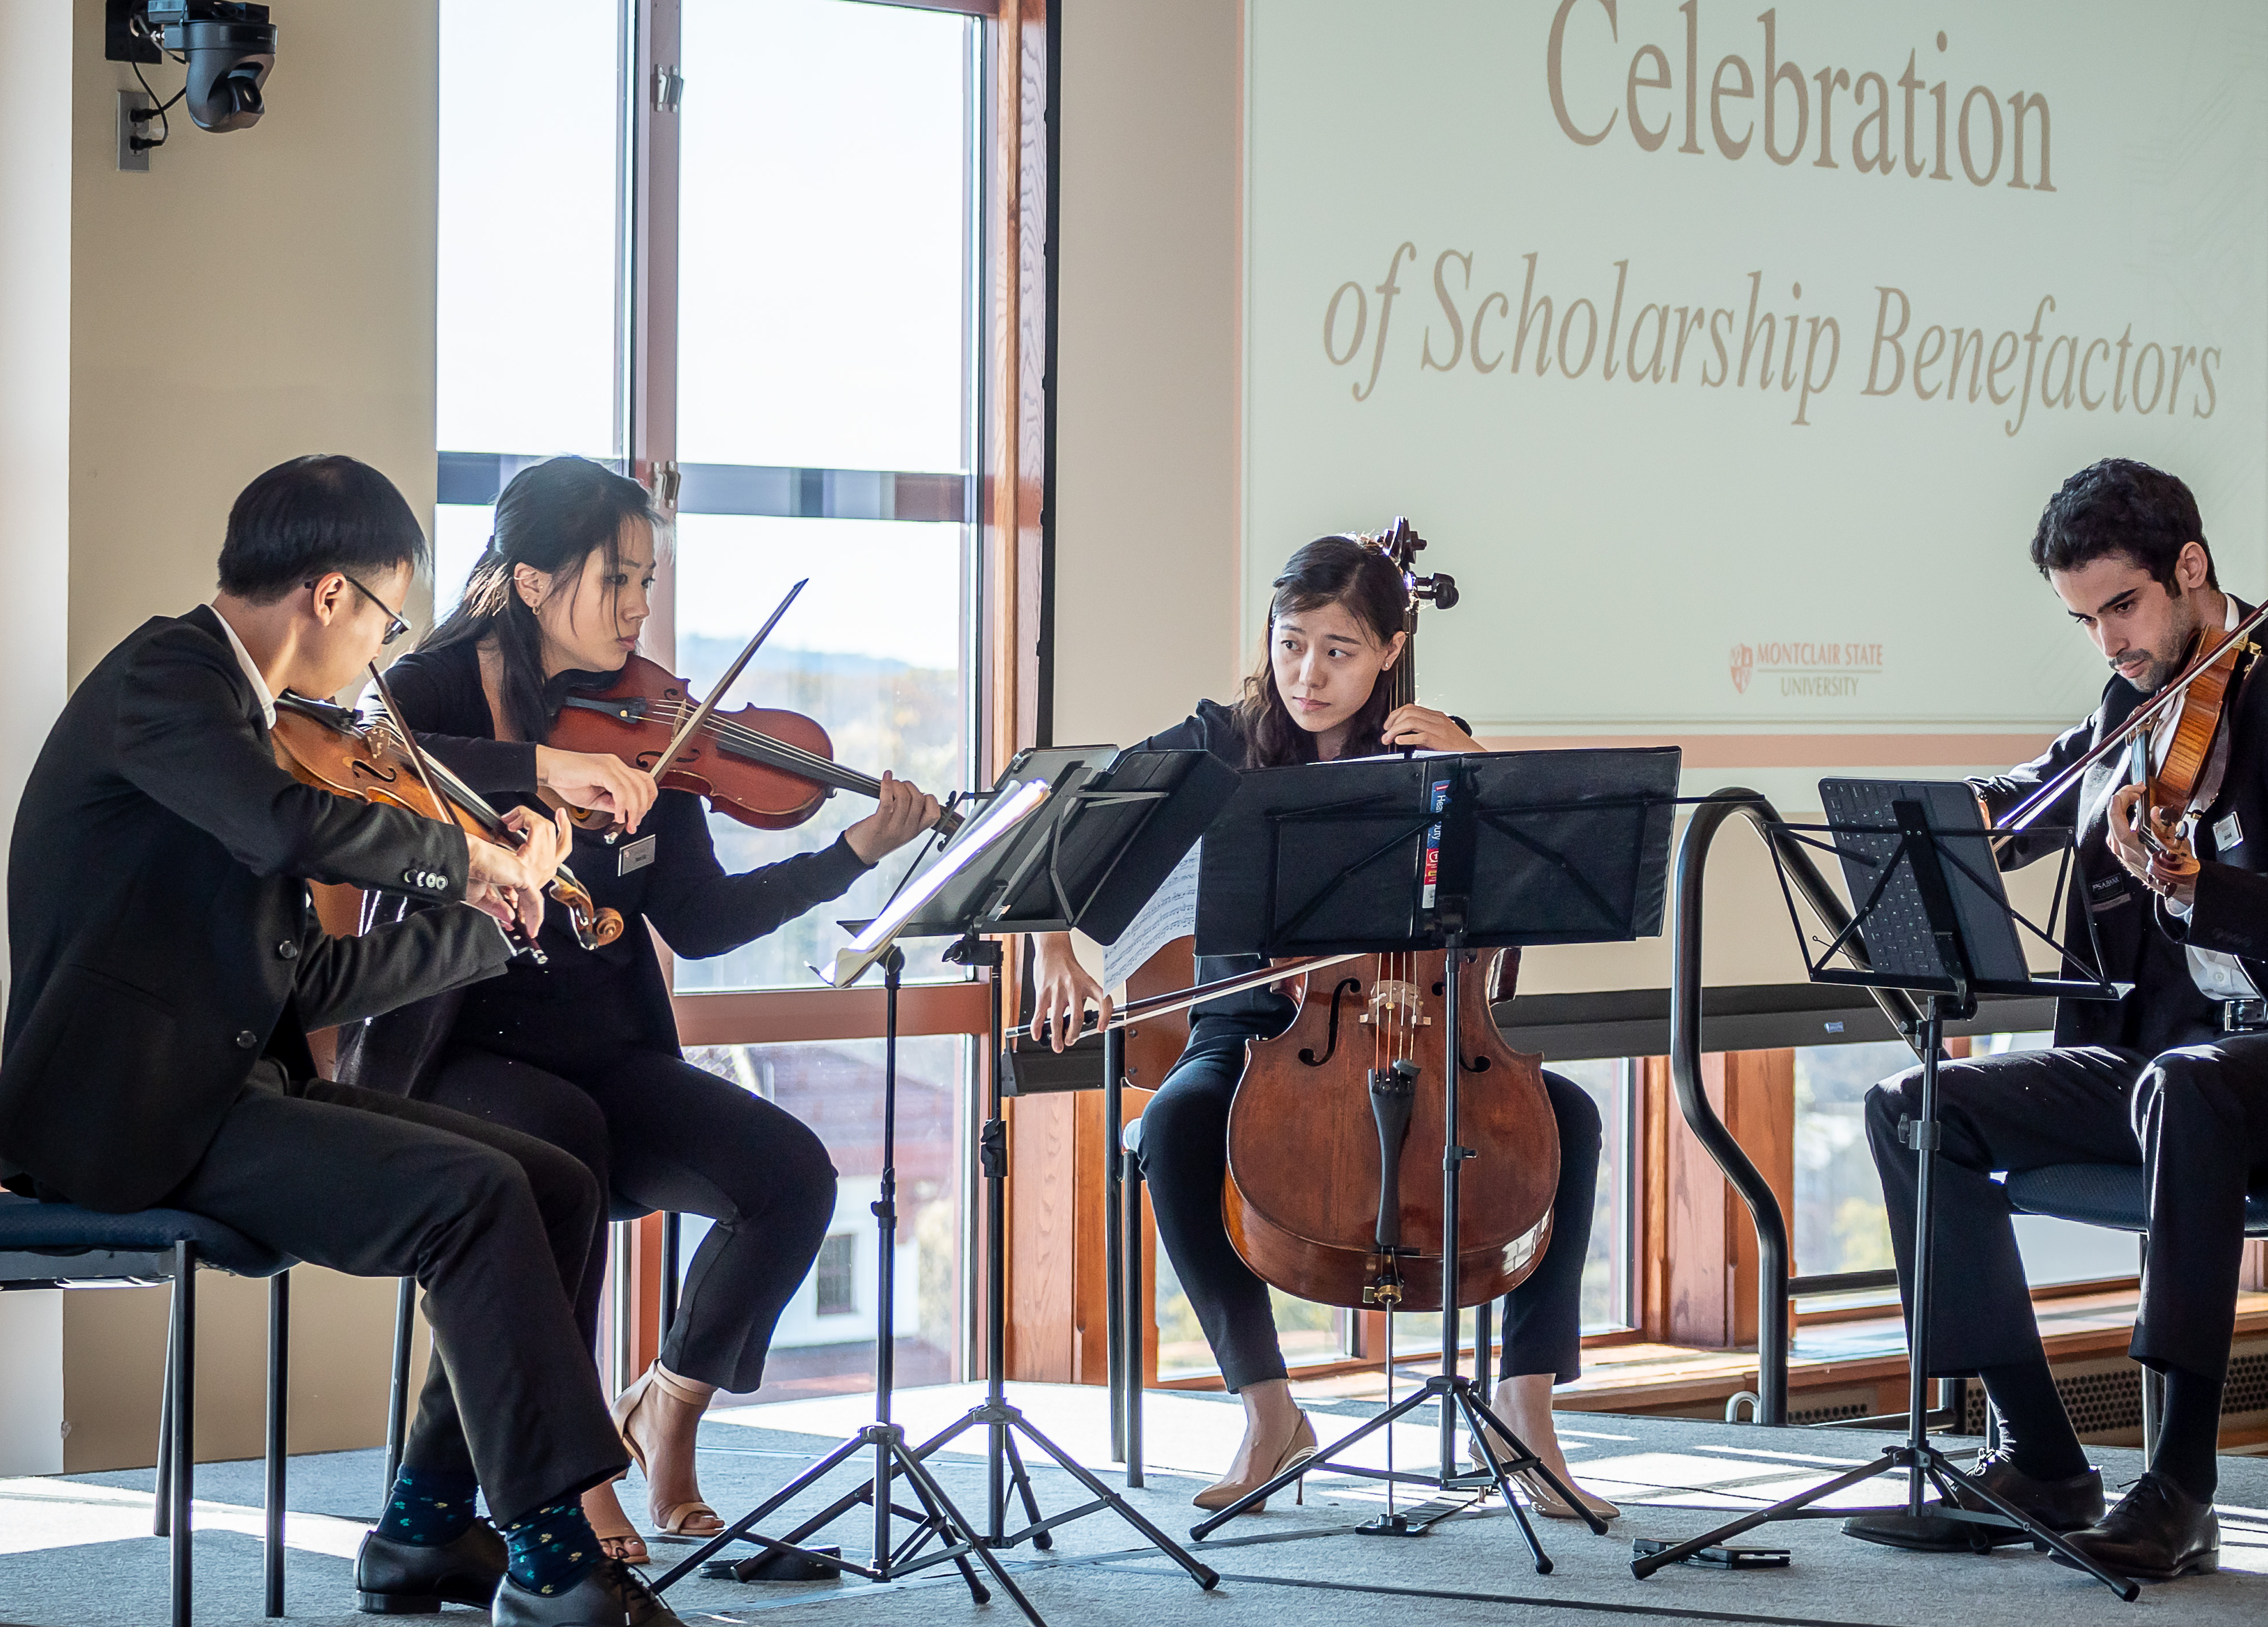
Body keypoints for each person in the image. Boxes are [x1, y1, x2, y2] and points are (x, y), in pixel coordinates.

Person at [0, 454, 759, 1627]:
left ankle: (424, 1529)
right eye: (389, 621)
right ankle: (557, 1567)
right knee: (476, 1195)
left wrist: (484, 925)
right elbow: (286, 825)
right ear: (331, 595)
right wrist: (471, 859)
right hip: (135, 1116)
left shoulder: (251, 733)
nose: (383, 655)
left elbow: (305, 986)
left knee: (551, 1180)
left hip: (221, 1092)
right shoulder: (168, 679)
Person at [1864, 458, 2268, 1579]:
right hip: (2168, 1061)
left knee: (2187, 1084)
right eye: (2084, 620)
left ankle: (2181, 1485)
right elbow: (2035, 793)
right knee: (1914, 1107)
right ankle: (2040, 1457)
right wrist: (1946, 824)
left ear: (2190, 567)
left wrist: (2193, 886)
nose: (2108, 642)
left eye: (2122, 607)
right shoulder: (2129, 703)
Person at [338, 456, 942, 1560]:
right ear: (531, 581)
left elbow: (701, 921)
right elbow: (370, 757)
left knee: (788, 1175)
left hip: (607, 1053)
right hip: (454, 1056)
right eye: (616, 580)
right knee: (557, 1151)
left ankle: (666, 1408)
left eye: (647, 582)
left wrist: (850, 854)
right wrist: (545, 767)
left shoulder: (648, 722)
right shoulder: (428, 692)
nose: (638, 608)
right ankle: (572, 1486)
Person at [1030, 534, 1619, 1521]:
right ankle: (1269, 1414)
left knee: (1570, 1116)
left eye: (1338, 652)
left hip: (1422, 1028)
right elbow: (1061, 814)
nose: (1306, 674)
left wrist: (1477, 772)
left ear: (1391, 649)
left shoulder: (1435, 745)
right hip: (1247, 1029)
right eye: (1290, 644)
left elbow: (1540, 882)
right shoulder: (1218, 740)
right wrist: (1052, 947)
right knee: (1173, 1126)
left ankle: (1526, 1410)